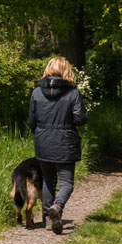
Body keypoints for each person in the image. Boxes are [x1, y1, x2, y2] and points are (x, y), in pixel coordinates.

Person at [28, 55, 89, 234]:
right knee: (66, 183)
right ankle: (57, 207)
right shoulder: (73, 93)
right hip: (65, 142)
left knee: (48, 180)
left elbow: (31, 121)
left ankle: (49, 219)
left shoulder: (36, 92)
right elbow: (80, 119)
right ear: (66, 70)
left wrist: (41, 134)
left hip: (43, 142)